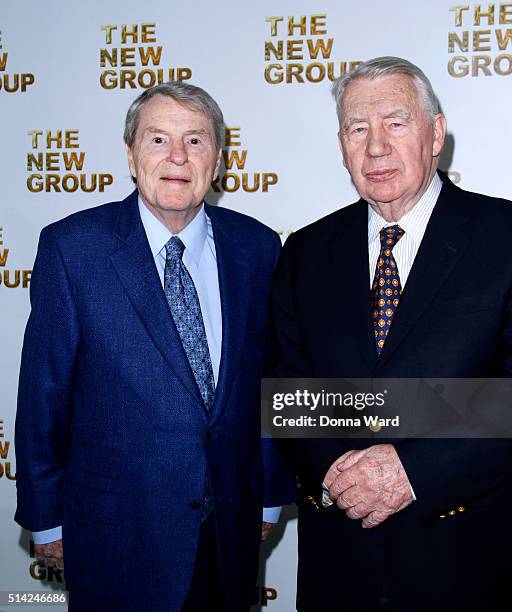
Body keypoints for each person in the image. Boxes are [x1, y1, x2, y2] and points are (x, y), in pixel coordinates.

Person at [15, 81, 293, 611]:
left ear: (217, 159)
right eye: (158, 140)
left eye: (194, 141)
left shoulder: (257, 247)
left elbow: (269, 384)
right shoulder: (73, 248)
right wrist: (46, 517)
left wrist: (272, 494)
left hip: (228, 531)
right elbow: (43, 396)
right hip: (114, 534)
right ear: (130, 154)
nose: (177, 158)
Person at [267, 56, 512, 612]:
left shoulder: (504, 237)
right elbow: (286, 388)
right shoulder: (306, 253)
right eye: (358, 128)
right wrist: (337, 472)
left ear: (436, 134)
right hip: (339, 561)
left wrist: (413, 471)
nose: (375, 146)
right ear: (341, 144)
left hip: (467, 560)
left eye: (395, 123)